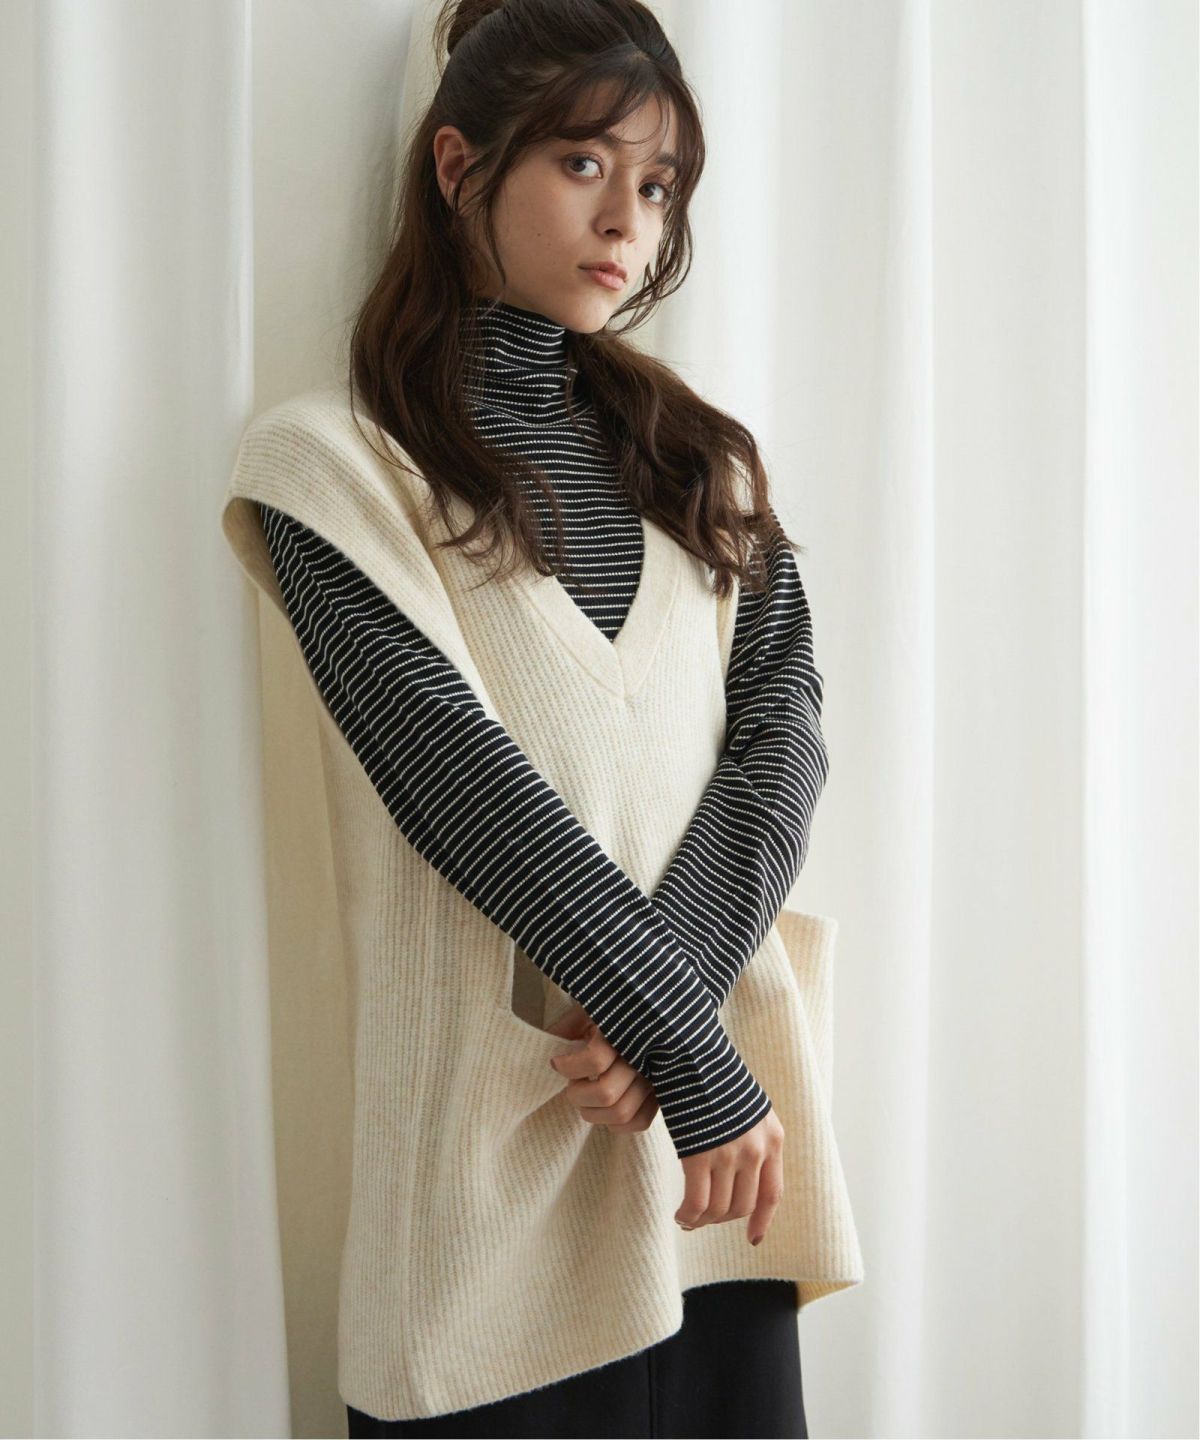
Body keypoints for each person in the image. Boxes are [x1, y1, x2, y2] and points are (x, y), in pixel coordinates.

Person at [219, 0, 864, 1433]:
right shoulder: (331, 468)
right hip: (497, 1187)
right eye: (584, 164)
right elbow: (460, 784)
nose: (628, 220)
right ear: (459, 165)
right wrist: (686, 1050)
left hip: (716, 1175)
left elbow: (784, 740)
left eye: (658, 185)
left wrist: (674, 1031)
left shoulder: (698, 465)